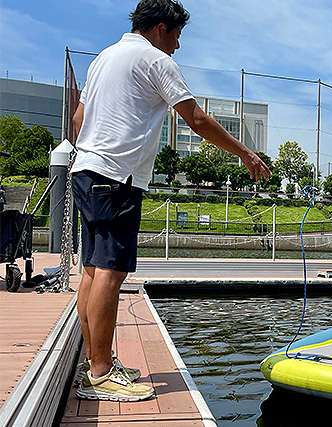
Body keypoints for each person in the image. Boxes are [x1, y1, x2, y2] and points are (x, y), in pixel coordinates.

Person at [71, 0, 270, 402]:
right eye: (177, 36)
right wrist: (245, 152)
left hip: (86, 170)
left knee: (91, 270)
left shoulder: (104, 58)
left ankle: (95, 363)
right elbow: (195, 118)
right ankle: (100, 374)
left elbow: (78, 121)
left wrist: (98, 151)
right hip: (116, 179)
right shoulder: (154, 60)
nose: (178, 45)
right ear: (161, 28)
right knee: (110, 270)